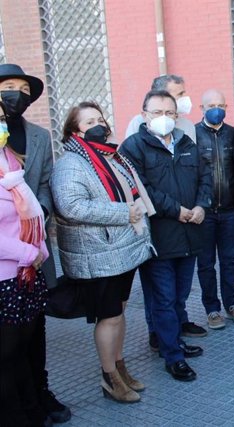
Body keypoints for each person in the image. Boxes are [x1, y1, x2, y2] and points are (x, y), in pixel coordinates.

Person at [51, 102, 155, 403]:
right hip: (98, 254)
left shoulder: (111, 154)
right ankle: (109, 377)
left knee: (118, 312)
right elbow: (71, 207)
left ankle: (120, 367)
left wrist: (131, 215)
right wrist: (124, 213)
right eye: (88, 122)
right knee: (108, 316)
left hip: (122, 250)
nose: (97, 125)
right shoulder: (71, 163)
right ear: (74, 131)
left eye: (99, 119)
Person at [119, 90, 212, 382]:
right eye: (157, 112)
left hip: (190, 235)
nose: (164, 118)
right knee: (164, 298)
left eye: (169, 113)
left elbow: (205, 178)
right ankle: (173, 356)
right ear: (144, 115)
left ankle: (171, 341)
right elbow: (141, 188)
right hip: (158, 237)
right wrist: (178, 210)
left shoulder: (186, 143)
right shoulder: (133, 147)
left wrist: (200, 205)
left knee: (180, 297)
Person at [0, 63, 70, 424]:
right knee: (9, 343)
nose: (16, 94)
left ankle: (40, 392)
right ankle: (19, 403)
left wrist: (38, 213)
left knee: (35, 330)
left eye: (23, 89)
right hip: (6, 255)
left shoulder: (40, 136)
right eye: (8, 86)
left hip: (35, 248)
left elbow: (42, 181)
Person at [0, 100, 51, 425]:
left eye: (1, 118)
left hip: (26, 275)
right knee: (5, 356)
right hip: (6, 276)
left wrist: (40, 247)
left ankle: (32, 409)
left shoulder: (8, 160)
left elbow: (28, 213)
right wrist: (29, 253)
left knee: (22, 351)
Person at [195, 89, 234, 330]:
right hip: (203, 213)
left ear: (227, 107)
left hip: (230, 210)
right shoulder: (192, 135)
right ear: (201, 108)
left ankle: (233, 305)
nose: (216, 109)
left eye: (220, 104)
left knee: (230, 261)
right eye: (210, 105)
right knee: (206, 263)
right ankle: (212, 309)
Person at [125, 75, 196, 142]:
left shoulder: (187, 125)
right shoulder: (138, 123)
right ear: (163, 95)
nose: (185, 97)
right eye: (180, 94)